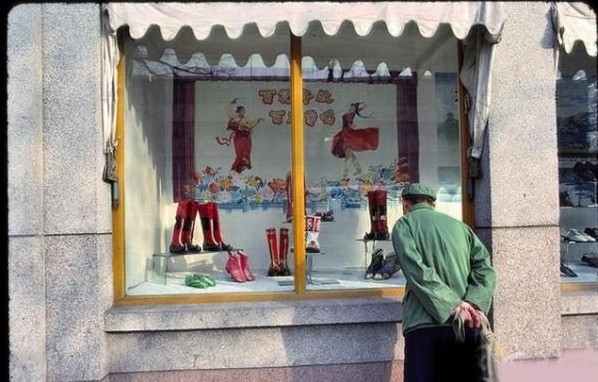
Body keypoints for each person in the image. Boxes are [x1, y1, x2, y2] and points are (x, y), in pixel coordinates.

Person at [391, 183, 496, 382]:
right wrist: (473, 303)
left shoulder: (404, 225)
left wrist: (453, 304)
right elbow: (485, 268)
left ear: (405, 204)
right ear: (433, 204)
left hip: (423, 326)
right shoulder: (461, 227)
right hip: (467, 323)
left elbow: (417, 271)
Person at [330, 102, 379, 177]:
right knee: (350, 154)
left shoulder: (351, 115)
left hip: (347, 133)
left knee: (349, 155)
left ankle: (347, 172)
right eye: (351, 107)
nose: (351, 109)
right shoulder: (348, 114)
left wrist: (351, 126)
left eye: (353, 108)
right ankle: (358, 169)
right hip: (344, 133)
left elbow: (350, 122)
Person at [225, 98, 264, 173]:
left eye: (244, 111)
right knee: (239, 152)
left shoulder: (246, 119)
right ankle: (236, 168)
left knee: (246, 151)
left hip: (246, 137)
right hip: (239, 137)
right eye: (242, 111)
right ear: (239, 111)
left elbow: (251, 124)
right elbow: (229, 111)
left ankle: (244, 166)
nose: (243, 112)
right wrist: (231, 103)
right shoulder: (234, 117)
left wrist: (258, 120)